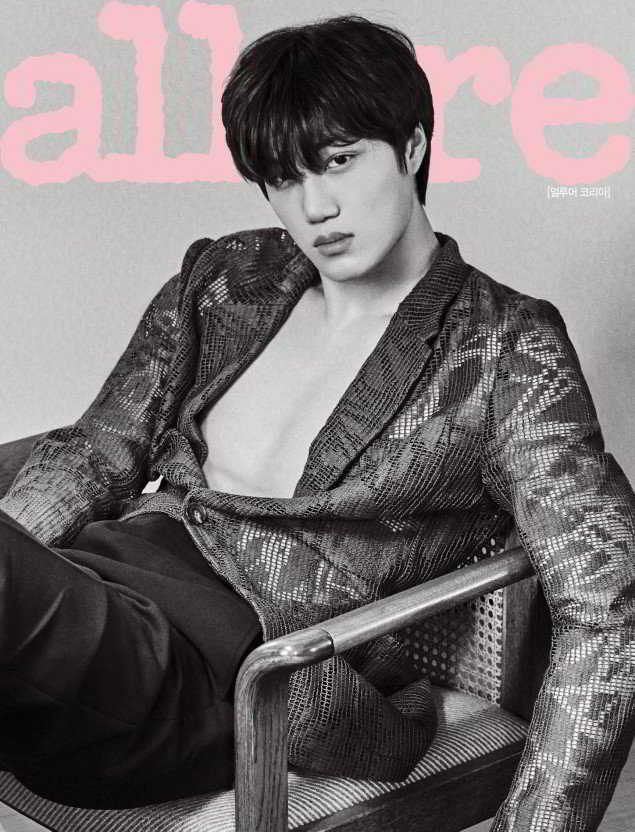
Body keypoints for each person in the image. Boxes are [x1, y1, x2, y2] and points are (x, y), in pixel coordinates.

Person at [0, 13, 633, 831]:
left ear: (411, 146)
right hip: (94, 595)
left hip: (229, 674)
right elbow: (98, 452)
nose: (315, 207)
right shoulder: (228, 279)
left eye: (339, 160)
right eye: (282, 178)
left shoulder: (504, 348)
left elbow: (606, 609)